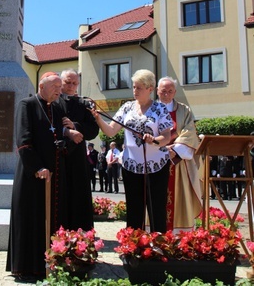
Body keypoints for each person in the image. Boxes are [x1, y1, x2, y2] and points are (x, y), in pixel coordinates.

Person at [92, 69, 173, 232]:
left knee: (156, 210)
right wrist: (98, 118)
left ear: (150, 88)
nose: (135, 91)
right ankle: (134, 248)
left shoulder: (160, 108)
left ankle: (158, 248)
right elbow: (110, 131)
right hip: (131, 166)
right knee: (134, 212)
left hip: (156, 167)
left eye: (139, 88)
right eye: (134, 87)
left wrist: (155, 141)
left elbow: (167, 136)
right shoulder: (127, 107)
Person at [6, 72, 68, 282]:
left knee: (51, 220)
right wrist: (38, 167)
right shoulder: (27, 105)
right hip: (32, 174)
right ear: (42, 86)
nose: (59, 90)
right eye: (55, 86)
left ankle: (52, 263)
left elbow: (58, 135)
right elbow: (23, 141)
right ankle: (27, 267)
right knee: (31, 219)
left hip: (53, 176)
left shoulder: (58, 108)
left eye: (60, 87)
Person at [157, 76, 202, 231]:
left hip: (178, 164)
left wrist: (174, 150)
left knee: (179, 197)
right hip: (154, 162)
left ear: (175, 92)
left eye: (170, 91)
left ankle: (180, 234)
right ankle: (154, 234)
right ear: (157, 91)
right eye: (163, 91)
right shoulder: (150, 109)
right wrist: (163, 151)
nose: (166, 94)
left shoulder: (184, 110)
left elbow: (189, 133)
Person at [59, 68, 99, 230]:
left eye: (75, 83)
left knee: (78, 194)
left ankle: (80, 231)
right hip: (58, 155)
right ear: (60, 81)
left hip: (77, 157)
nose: (71, 86)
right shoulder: (52, 101)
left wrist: (75, 126)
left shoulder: (84, 103)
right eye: (67, 82)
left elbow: (93, 130)